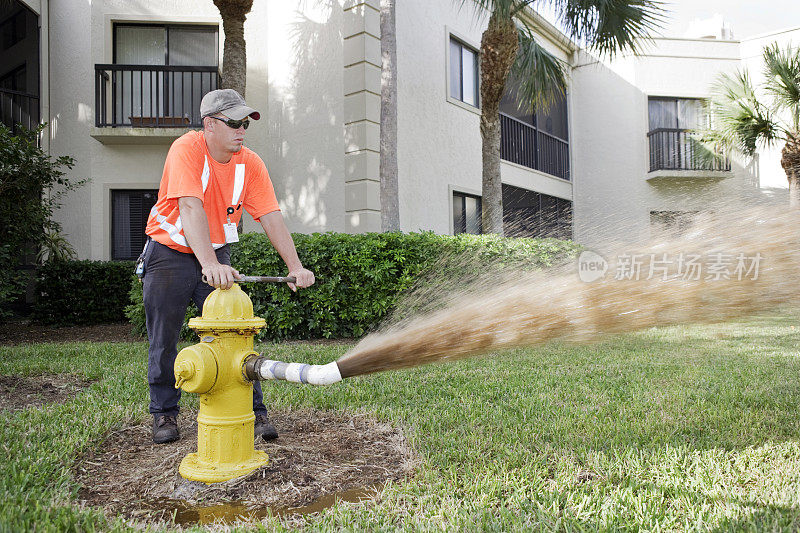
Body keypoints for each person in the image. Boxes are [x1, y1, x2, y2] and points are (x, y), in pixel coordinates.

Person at [140, 89, 315, 444]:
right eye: (233, 122)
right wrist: (209, 264)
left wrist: (295, 266)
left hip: (215, 253)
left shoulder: (250, 163)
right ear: (209, 125)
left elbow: (270, 215)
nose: (242, 130)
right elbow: (191, 209)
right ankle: (164, 415)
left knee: (234, 335)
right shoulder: (187, 149)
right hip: (168, 252)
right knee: (164, 338)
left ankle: (253, 412)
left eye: (245, 123)